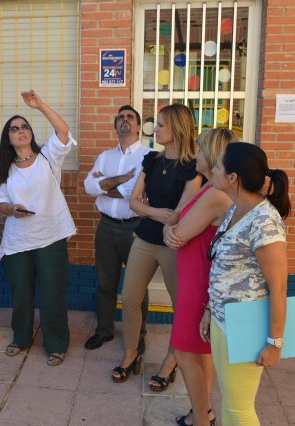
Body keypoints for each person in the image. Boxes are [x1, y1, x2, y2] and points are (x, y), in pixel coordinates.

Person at [201, 142, 290, 426]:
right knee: (229, 401)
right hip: (222, 319)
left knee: (240, 410)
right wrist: (210, 309)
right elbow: (224, 269)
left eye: (218, 165)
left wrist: (274, 344)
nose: (212, 169)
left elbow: (278, 286)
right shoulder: (237, 209)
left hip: (245, 326)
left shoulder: (264, 221)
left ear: (233, 177)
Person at [114, 104, 201, 385]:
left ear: (177, 128)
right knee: (129, 298)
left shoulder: (193, 167)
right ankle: (131, 352)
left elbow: (183, 210)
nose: (156, 129)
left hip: (176, 243)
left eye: (161, 124)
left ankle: (172, 359)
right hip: (145, 236)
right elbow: (133, 202)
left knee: (181, 306)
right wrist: (158, 214)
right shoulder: (151, 160)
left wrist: (164, 216)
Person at [0, 90, 76, 367]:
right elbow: (1, 201)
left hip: (50, 236)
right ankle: (21, 338)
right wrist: (11, 210)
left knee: (53, 293)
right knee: (21, 293)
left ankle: (56, 343)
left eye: (24, 126)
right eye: (14, 129)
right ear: (8, 138)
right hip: (18, 240)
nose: (20, 131)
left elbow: (63, 130)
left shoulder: (48, 157)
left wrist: (40, 105)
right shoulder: (7, 169)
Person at [164, 129, 239, 426]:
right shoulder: (209, 187)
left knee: (184, 353)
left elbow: (177, 233)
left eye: (199, 150)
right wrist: (171, 224)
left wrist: (171, 226)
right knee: (200, 352)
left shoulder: (215, 194)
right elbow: (174, 220)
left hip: (199, 284)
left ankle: (201, 420)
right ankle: (202, 412)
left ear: (212, 155)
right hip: (195, 277)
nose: (194, 155)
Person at [83, 105, 152, 351]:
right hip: (106, 228)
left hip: (135, 229)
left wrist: (106, 185)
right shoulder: (105, 156)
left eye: (129, 117)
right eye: (120, 118)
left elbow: (132, 193)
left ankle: (138, 334)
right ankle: (104, 331)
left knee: (136, 286)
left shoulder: (148, 156)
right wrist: (121, 181)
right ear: (115, 126)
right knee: (105, 283)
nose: (124, 121)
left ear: (138, 126)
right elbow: (88, 187)